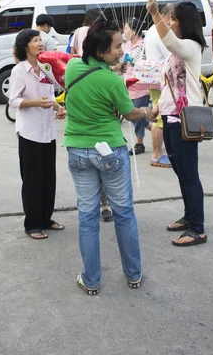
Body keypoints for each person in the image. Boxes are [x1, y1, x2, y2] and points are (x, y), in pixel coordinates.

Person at [64, 19, 156, 294]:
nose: (121, 51)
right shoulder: (113, 82)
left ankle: (91, 280)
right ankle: (134, 275)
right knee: (124, 212)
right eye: (117, 47)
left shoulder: (72, 68)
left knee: (87, 215)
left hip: (78, 151)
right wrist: (148, 112)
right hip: (110, 153)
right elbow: (130, 113)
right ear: (101, 50)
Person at [147, 0, 208, 247]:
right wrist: (157, 107)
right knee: (181, 172)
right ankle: (189, 216)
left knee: (189, 175)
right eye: (168, 19)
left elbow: (168, 40)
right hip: (170, 116)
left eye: (172, 19)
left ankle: (198, 229)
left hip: (185, 119)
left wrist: (154, 15)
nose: (170, 23)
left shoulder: (191, 46)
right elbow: (167, 85)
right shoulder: (176, 52)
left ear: (183, 23)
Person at [8, 28, 66, 240]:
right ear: (26, 46)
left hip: (47, 131)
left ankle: (46, 219)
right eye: (35, 40)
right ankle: (32, 224)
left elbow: (50, 98)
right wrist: (35, 103)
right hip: (30, 133)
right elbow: (13, 101)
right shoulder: (19, 71)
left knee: (48, 178)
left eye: (40, 40)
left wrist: (58, 109)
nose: (40, 43)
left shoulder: (46, 68)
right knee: (32, 180)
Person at [71, 8, 114, 222]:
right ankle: (105, 205)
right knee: (104, 152)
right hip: (97, 79)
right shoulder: (109, 75)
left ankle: (88, 208)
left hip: (80, 80)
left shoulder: (78, 34)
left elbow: (72, 54)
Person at [144, 5, 171, 168]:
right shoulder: (160, 31)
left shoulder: (151, 29)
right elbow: (170, 52)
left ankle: (158, 153)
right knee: (159, 118)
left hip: (153, 77)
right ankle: (156, 154)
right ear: (167, 16)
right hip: (161, 79)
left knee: (158, 116)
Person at [123, 19, 152, 155]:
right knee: (138, 116)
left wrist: (133, 62)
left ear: (134, 30)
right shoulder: (127, 44)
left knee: (136, 115)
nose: (124, 31)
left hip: (139, 85)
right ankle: (158, 130)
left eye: (126, 28)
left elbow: (144, 64)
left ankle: (139, 144)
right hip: (127, 85)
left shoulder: (143, 45)